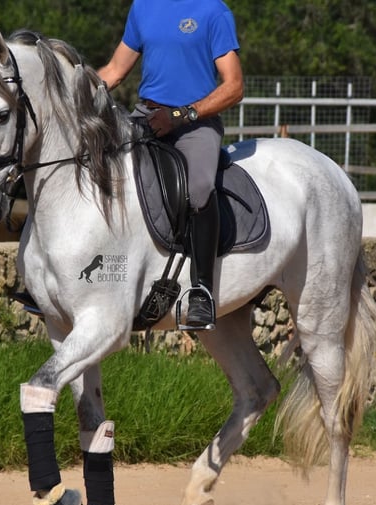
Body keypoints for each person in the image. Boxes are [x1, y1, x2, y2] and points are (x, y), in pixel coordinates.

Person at [98, 0, 244, 330]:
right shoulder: (143, 7)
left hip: (195, 123)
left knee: (199, 187)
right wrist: (70, 90)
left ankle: (203, 291)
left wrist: (182, 115)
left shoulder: (213, 12)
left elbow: (234, 85)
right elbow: (115, 72)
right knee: (94, 164)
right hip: (145, 116)